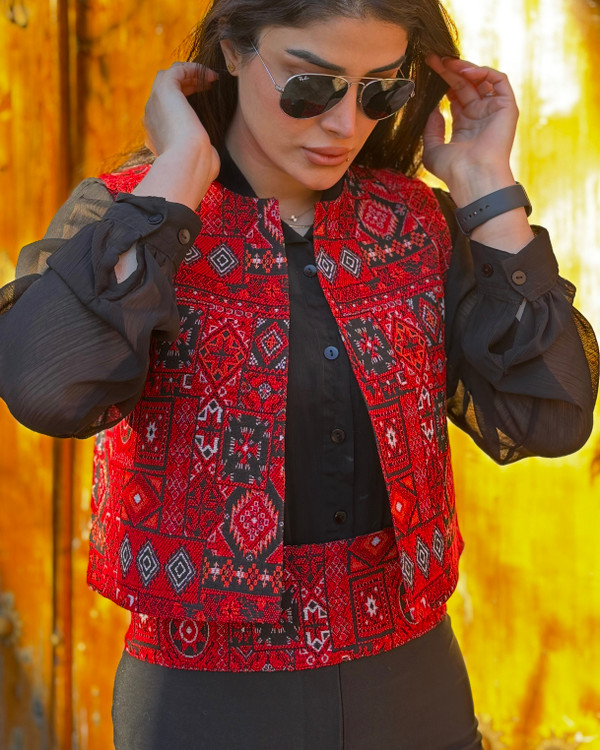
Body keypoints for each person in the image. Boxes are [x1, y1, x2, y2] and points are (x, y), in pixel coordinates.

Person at [0, 0, 597, 748]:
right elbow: (50, 391)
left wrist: (488, 190)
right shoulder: (134, 224)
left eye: (379, 91)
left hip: (414, 689)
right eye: (311, 85)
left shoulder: (419, 226)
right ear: (232, 51)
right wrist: (175, 175)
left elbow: (548, 419)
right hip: (204, 703)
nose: (345, 124)